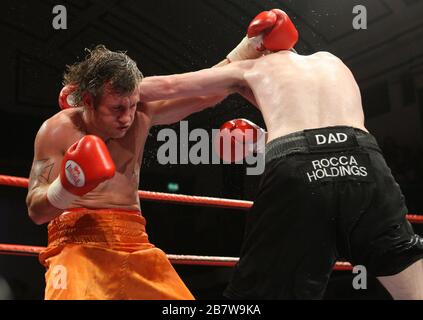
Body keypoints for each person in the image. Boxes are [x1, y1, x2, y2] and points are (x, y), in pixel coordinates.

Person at [138, 9, 423, 299]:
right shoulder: (331, 61)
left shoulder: (252, 68)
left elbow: (171, 86)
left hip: (298, 168)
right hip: (364, 161)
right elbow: (318, 129)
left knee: (256, 297)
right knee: (411, 282)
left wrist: (107, 92)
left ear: (258, 49)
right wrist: (263, 139)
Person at [26, 44, 233, 300]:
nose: (127, 118)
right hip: (76, 245)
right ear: (89, 100)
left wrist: (250, 47)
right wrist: (66, 187)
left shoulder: (142, 115)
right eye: (117, 109)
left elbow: (205, 93)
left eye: (132, 106)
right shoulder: (58, 130)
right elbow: (36, 211)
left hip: (135, 242)